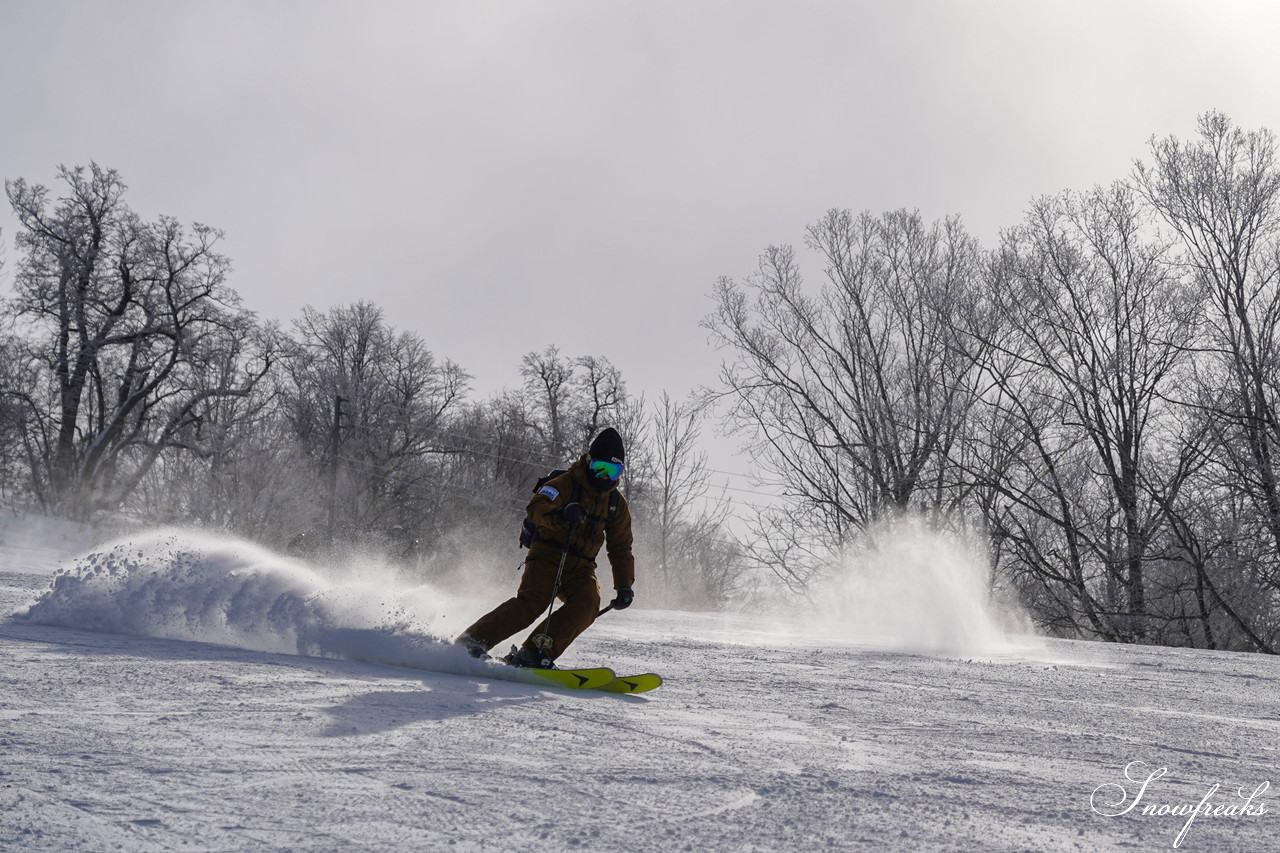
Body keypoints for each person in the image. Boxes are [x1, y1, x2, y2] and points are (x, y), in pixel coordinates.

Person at [456, 427, 635, 668]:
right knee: (532, 603)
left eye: (612, 471)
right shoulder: (565, 484)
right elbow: (536, 507)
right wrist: (561, 514)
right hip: (548, 556)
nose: (604, 477)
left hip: (582, 567)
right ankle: (472, 642)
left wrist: (624, 585)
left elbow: (621, 546)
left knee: (587, 605)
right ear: (588, 462)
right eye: (599, 468)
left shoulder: (615, 504)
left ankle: (535, 652)